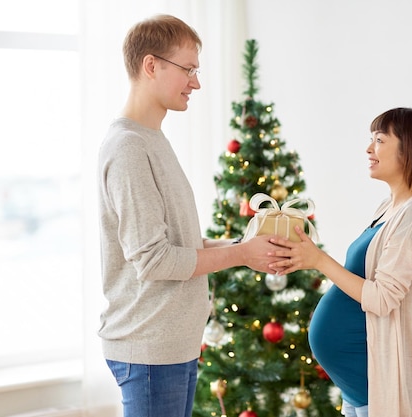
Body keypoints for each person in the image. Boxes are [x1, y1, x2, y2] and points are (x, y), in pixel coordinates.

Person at [97, 14, 284, 417]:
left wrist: (246, 246)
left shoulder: (153, 140)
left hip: (171, 344)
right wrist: (241, 255)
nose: (195, 83)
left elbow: (179, 245)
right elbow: (155, 260)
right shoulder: (129, 148)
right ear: (151, 65)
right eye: (188, 69)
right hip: (150, 348)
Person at [270, 107, 412, 417]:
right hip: (358, 388)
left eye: (379, 140)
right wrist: (306, 258)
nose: (369, 149)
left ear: (411, 149)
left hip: (379, 385)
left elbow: (382, 298)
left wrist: (320, 261)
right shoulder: (389, 207)